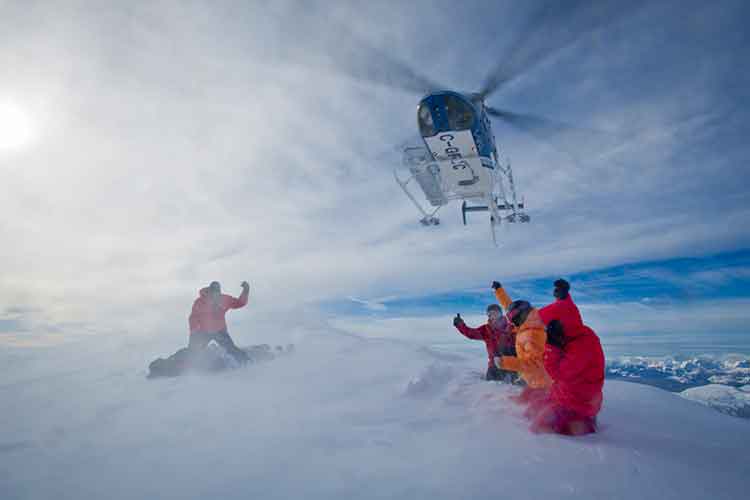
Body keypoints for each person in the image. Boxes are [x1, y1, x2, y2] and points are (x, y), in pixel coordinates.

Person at [528, 318, 605, 436]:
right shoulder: (578, 337)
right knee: (532, 410)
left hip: (576, 405)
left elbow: (557, 373)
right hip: (564, 396)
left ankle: (583, 427)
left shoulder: (581, 345)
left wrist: (551, 347)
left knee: (538, 426)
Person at [492, 282, 552, 400]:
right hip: (534, 382)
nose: (511, 321)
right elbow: (509, 306)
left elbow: (535, 365)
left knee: (529, 414)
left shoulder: (531, 335)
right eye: (509, 317)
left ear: (522, 314)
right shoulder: (528, 323)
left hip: (542, 386)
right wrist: (499, 291)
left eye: (512, 318)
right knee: (517, 403)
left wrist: (504, 362)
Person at [188, 280, 250, 363]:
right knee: (193, 351)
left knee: (230, 348)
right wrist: (194, 330)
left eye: (217, 292)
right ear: (210, 291)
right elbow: (193, 317)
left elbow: (240, 303)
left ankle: (246, 361)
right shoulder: (200, 302)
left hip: (220, 330)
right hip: (203, 331)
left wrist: (245, 290)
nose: (215, 295)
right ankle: (187, 367)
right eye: (213, 292)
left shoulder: (224, 299)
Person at [453, 303, 516, 382]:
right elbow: (471, 333)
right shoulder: (486, 329)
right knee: (491, 386)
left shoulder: (511, 327)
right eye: (490, 314)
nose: (493, 316)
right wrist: (460, 325)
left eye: (495, 313)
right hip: (494, 365)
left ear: (500, 314)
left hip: (512, 363)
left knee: (518, 385)